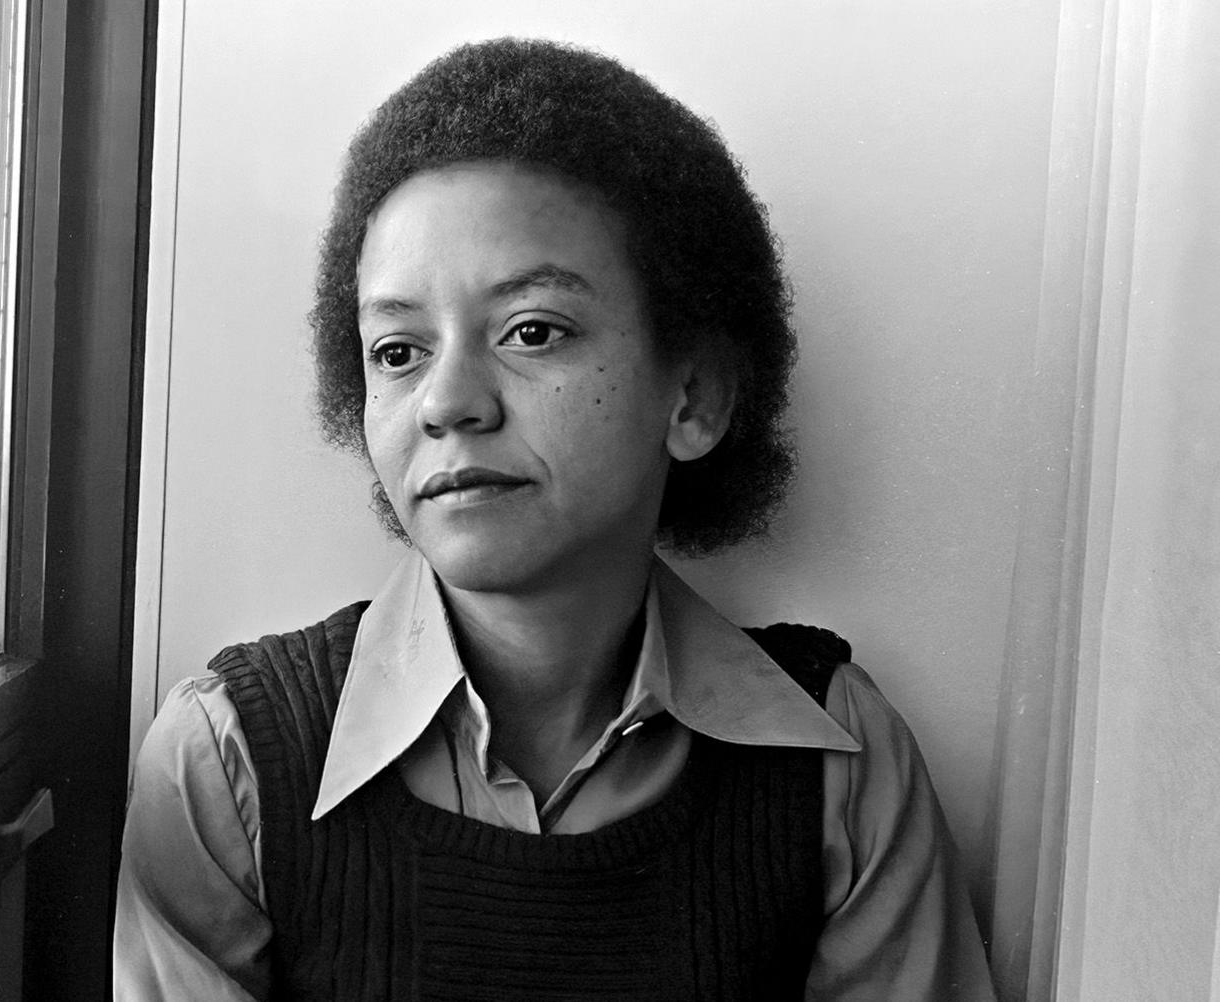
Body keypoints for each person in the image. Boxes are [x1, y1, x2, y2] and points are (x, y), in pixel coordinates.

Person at [114, 37, 995, 1001]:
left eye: (532, 331)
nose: (447, 401)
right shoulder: (225, 759)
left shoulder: (843, 762)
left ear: (692, 396)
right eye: (397, 351)